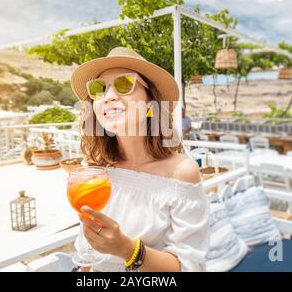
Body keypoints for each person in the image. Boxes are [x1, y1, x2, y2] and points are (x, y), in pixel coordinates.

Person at [70, 46, 209, 272]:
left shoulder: (181, 172)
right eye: (99, 88)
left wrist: (127, 249)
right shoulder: (97, 167)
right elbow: (88, 253)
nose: (109, 96)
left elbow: (188, 267)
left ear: (150, 105)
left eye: (125, 84)